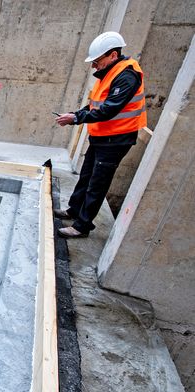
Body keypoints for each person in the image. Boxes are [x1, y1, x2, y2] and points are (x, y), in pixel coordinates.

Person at [54, 31, 147, 238]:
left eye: (97, 61)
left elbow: (108, 110)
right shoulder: (110, 74)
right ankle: (74, 211)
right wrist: (76, 114)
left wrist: (76, 119)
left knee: (97, 184)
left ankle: (81, 226)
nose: (93, 66)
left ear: (112, 55)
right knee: (86, 176)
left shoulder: (126, 76)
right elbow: (96, 104)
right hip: (102, 137)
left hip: (116, 140)